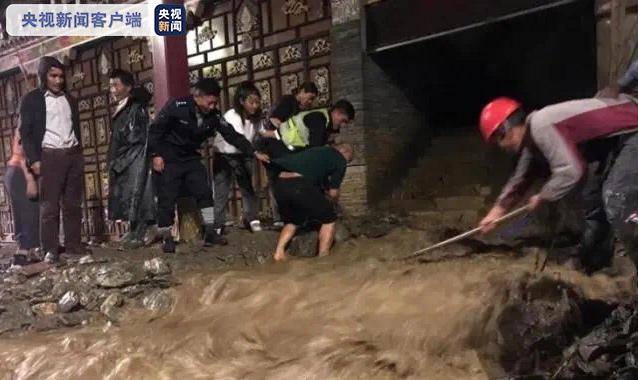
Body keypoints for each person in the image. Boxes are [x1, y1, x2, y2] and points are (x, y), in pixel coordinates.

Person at [477, 96, 638, 274]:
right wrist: (496, 212)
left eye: (497, 140)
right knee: (594, 199)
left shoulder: (541, 125)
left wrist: (544, 196)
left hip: (632, 131)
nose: (501, 147)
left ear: (505, 129)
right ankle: (595, 261)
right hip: (614, 143)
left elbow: (573, 171)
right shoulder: (532, 139)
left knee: (616, 198)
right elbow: (520, 178)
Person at [148, 78, 269, 253]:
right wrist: (156, 154)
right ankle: (167, 236)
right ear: (198, 96)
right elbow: (156, 130)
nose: (212, 106)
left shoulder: (214, 115)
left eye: (215, 103)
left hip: (190, 157)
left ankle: (210, 231)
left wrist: (253, 151)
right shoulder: (177, 106)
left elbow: (232, 135)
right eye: (209, 102)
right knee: (167, 196)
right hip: (169, 156)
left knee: (204, 192)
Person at [19, 56, 89, 263]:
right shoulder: (32, 100)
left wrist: (79, 154)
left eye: (61, 76)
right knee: (49, 207)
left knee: (73, 204)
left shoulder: (70, 99)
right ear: (44, 76)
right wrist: (34, 160)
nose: (58, 80)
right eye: (53, 76)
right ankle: (50, 249)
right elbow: (26, 133)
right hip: (49, 156)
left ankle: (73, 245)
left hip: (73, 154)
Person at [270, 144, 354, 261]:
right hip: (299, 184)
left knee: (293, 221)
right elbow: (333, 192)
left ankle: (279, 253)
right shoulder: (340, 159)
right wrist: (333, 204)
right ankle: (323, 258)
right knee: (329, 220)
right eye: (348, 160)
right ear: (345, 152)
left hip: (279, 184)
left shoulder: (318, 151)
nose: (347, 162)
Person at [107, 69, 156, 249]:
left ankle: (141, 231)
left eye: (116, 85)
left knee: (138, 193)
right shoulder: (124, 106)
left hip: (134, 156)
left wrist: (121, 158)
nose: (112, 89)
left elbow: (135, 136)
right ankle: (133, 230)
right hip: (125, 157)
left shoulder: (136, 108)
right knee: (130, 195)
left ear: (128, 87)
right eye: (111, 85)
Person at [212, 81, 263, 234]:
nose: (255, 106)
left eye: (257, 102)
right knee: (222, 191)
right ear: (241, 101)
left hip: (244, 155)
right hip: (225, 155)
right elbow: (239, 139)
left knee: (247, 188)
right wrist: (255, 152)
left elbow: (261, 132)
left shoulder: (255, 118)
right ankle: (217, 225)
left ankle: (251, 218)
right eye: (251, 102)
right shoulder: (232, 116)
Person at [3, 130, 40, 265]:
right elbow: (23, 149)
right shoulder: (27, 123)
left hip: (14, 171)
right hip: (20, 171)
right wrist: (29, 177)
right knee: (28, 211)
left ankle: (27, 250)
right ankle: (25, 251)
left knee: (23, 211)